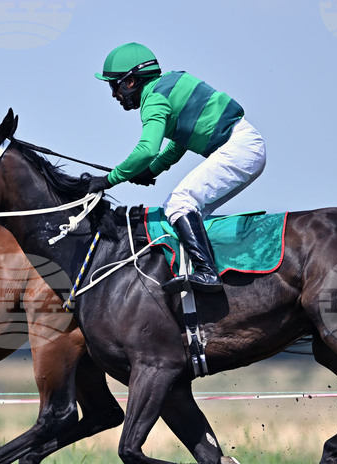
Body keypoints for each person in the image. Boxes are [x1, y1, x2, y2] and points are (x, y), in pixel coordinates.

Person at [90, 42, 267, 294]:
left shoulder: (154, 100)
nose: (113, 95)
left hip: (240, 149)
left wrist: (109, 179)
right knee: (189, 213)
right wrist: (152, 171)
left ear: (130, 82)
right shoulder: (170, 82)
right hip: (245, 145)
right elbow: (178, 144)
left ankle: (208, 273)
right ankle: (205, 275)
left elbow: (147, 150)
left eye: (114, 85)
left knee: (179, 204)